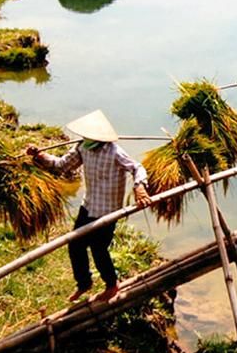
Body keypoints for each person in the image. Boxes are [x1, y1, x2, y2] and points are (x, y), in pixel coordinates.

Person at [27, 109, 151, 302]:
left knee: (99, 248)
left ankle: (112, 285)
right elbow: (61, 166)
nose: (84, 138)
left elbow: (137, 167)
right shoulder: (82, 148)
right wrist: (40, 156)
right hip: (89, 205)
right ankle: (84, 283)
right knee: (75, 245)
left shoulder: (114, 152)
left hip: (107, 211)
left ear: (98, 137)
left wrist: (139, 187)